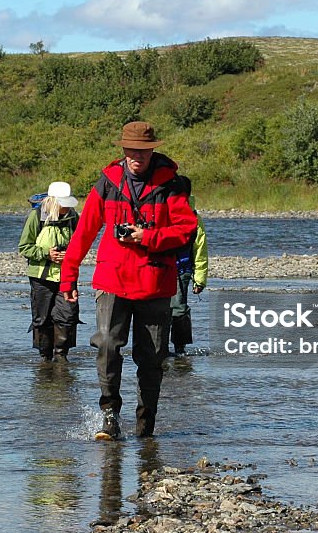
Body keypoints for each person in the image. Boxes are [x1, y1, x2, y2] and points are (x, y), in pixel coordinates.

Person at [60, 121, 198, 440]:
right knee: (107, 345)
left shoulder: (171, 185)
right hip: (112, 279)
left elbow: (186, 229)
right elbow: (83, 233)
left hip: (155, 283)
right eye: (131, 149)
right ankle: (110, 418)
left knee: (151, 359)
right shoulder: (107, 182)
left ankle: (145, 428)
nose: (137, 155)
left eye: (143, 150)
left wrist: (148, 236)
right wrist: (68, 277)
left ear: (152, 150)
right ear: (123, 149)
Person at [19, 181, 80, 362]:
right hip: (40, 277)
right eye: (64, 203)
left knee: (68, 316)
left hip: (66, 276)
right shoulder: (36, 217)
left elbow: (80, 244)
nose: (67, 207)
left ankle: (61, 356)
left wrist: (68, 254)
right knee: (42, 319)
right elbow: (24, 247)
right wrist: (47, 254)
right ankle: (45, 357)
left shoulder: (73, 217)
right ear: (53, 201)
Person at [168, 175, 208, 356]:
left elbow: (199, 248)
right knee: (170, 309)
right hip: (169, 268)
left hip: (180, 269)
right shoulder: (192, 215)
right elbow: (201, 249)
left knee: (176, 308)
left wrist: (199, 279)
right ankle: (177, 349)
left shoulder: (191, 216)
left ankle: (178, 349)